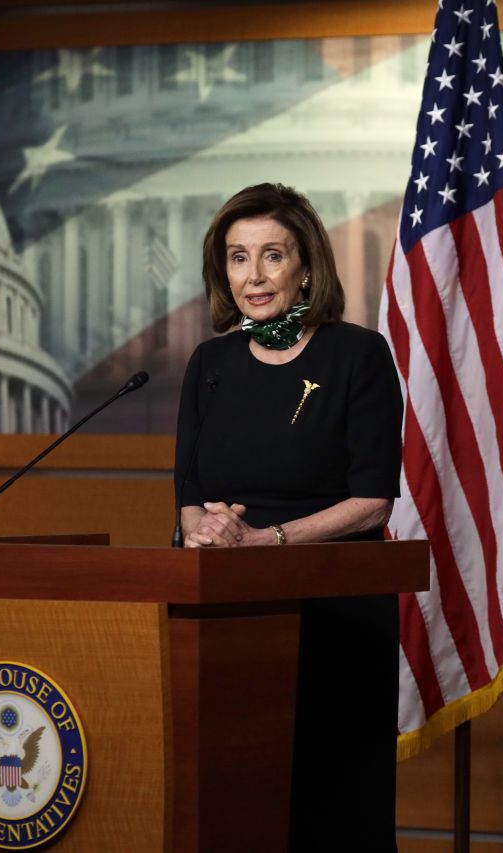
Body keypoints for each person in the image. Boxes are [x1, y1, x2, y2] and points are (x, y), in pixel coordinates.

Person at [174, 182, 403, 850]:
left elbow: (373, 499)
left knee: (332, 809)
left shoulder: (357, 354)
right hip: (229, 620)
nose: (254, 275)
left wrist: (263, 539)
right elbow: (189, 491)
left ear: (307, 264)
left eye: (272, 255)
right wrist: (207, 537)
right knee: (238, 804)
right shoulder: (209, 364)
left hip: (336, 609)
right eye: (238, 257)